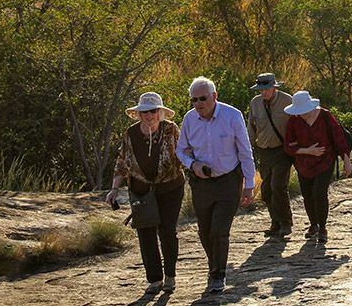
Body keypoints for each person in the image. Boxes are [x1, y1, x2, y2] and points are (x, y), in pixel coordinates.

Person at [176, 76, 256, 294]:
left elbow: (245, 151)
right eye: (194, 100)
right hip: (201, 183)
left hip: (228, 180)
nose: (198, 103)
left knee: (220, 230)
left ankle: (218, 275)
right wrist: (193, 165)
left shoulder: (233, 116)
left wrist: (249, 184)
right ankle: (214, 266)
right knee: (205, 231)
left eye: (203, 98)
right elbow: (180, 150)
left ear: (214, 96)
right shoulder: (189, 119)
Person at [105, 92, 184, 294]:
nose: (148, 115)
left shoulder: (171, 129)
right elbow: (122, 161)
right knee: (145, 233)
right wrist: (114, 189)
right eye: (144, 112)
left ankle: (170, 276)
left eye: (152, 111)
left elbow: (184, 153)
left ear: (159, 112)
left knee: (167, 231)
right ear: (138, 114)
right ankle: (154, 279)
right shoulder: (131, 133)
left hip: (170, 187)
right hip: (141, 189)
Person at [282, 90, 352, 243]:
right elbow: (288, 146)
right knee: (307, 195)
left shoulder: (325, 116)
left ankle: (322, 228)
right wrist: (307, 150)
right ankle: (313, 225)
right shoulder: (294, 121)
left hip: (325, 161)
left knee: (319, 193)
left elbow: (339, 138)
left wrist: (346, 160)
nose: (301, 114)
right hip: (303, 164)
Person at [247, 73, 295, 238]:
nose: (263, 92)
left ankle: (286, 223)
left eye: (266, 89)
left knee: (278, 186)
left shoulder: (287, 100)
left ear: (274, 87)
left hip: (282, 150)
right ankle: (275, 222)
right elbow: (251, 126)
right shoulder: (255, 103)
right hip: (264, 151)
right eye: (261, 90)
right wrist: (247, 149)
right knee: (266, 190)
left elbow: (296, 124)